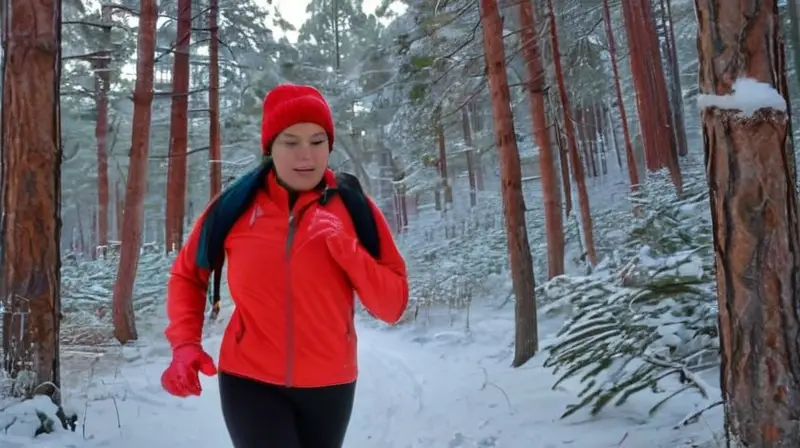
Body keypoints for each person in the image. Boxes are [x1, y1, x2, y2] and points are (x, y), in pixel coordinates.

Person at [159, 83, 410, 448]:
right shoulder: (235, 207)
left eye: (318, 141)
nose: (306, 155)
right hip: (250, 378)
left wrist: (347, 248)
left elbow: (392, 306)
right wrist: (184, 344)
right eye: (291, 142)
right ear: (270, 148)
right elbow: (187, 274)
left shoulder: (354, 208)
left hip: (331, 382)